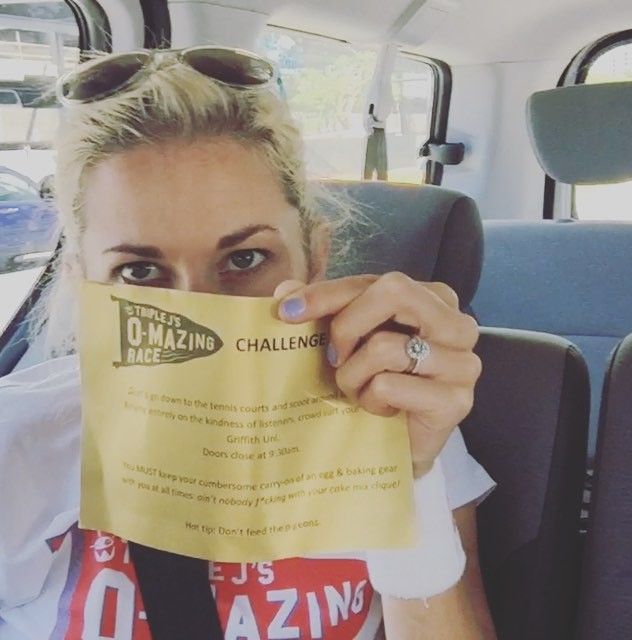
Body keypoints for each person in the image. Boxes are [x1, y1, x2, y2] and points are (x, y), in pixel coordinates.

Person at [0, 47, 496, 639]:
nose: (203, 319)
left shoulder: (393, 410)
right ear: (83, 283)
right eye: (139, 272)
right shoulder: (21, 444)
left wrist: (407, 480)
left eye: (245, 259)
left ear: (314, 259)